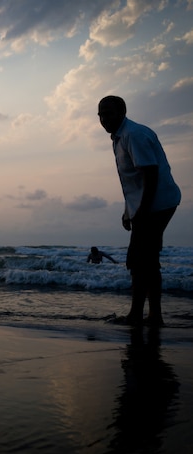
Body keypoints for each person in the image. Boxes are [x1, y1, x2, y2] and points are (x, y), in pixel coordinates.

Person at [98, 95, 181, 327]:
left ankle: (147, 316)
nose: (104, 119)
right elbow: (133, 182)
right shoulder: (118, 137)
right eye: (101, 115)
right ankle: (148, 315)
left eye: (108, 113)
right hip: (147, 205)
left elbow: (151, 176)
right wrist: (129, 211)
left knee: (140, 259)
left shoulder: (134, 135)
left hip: (158, 203)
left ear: (122, 112)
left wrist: (142, 212)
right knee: (143, 260)